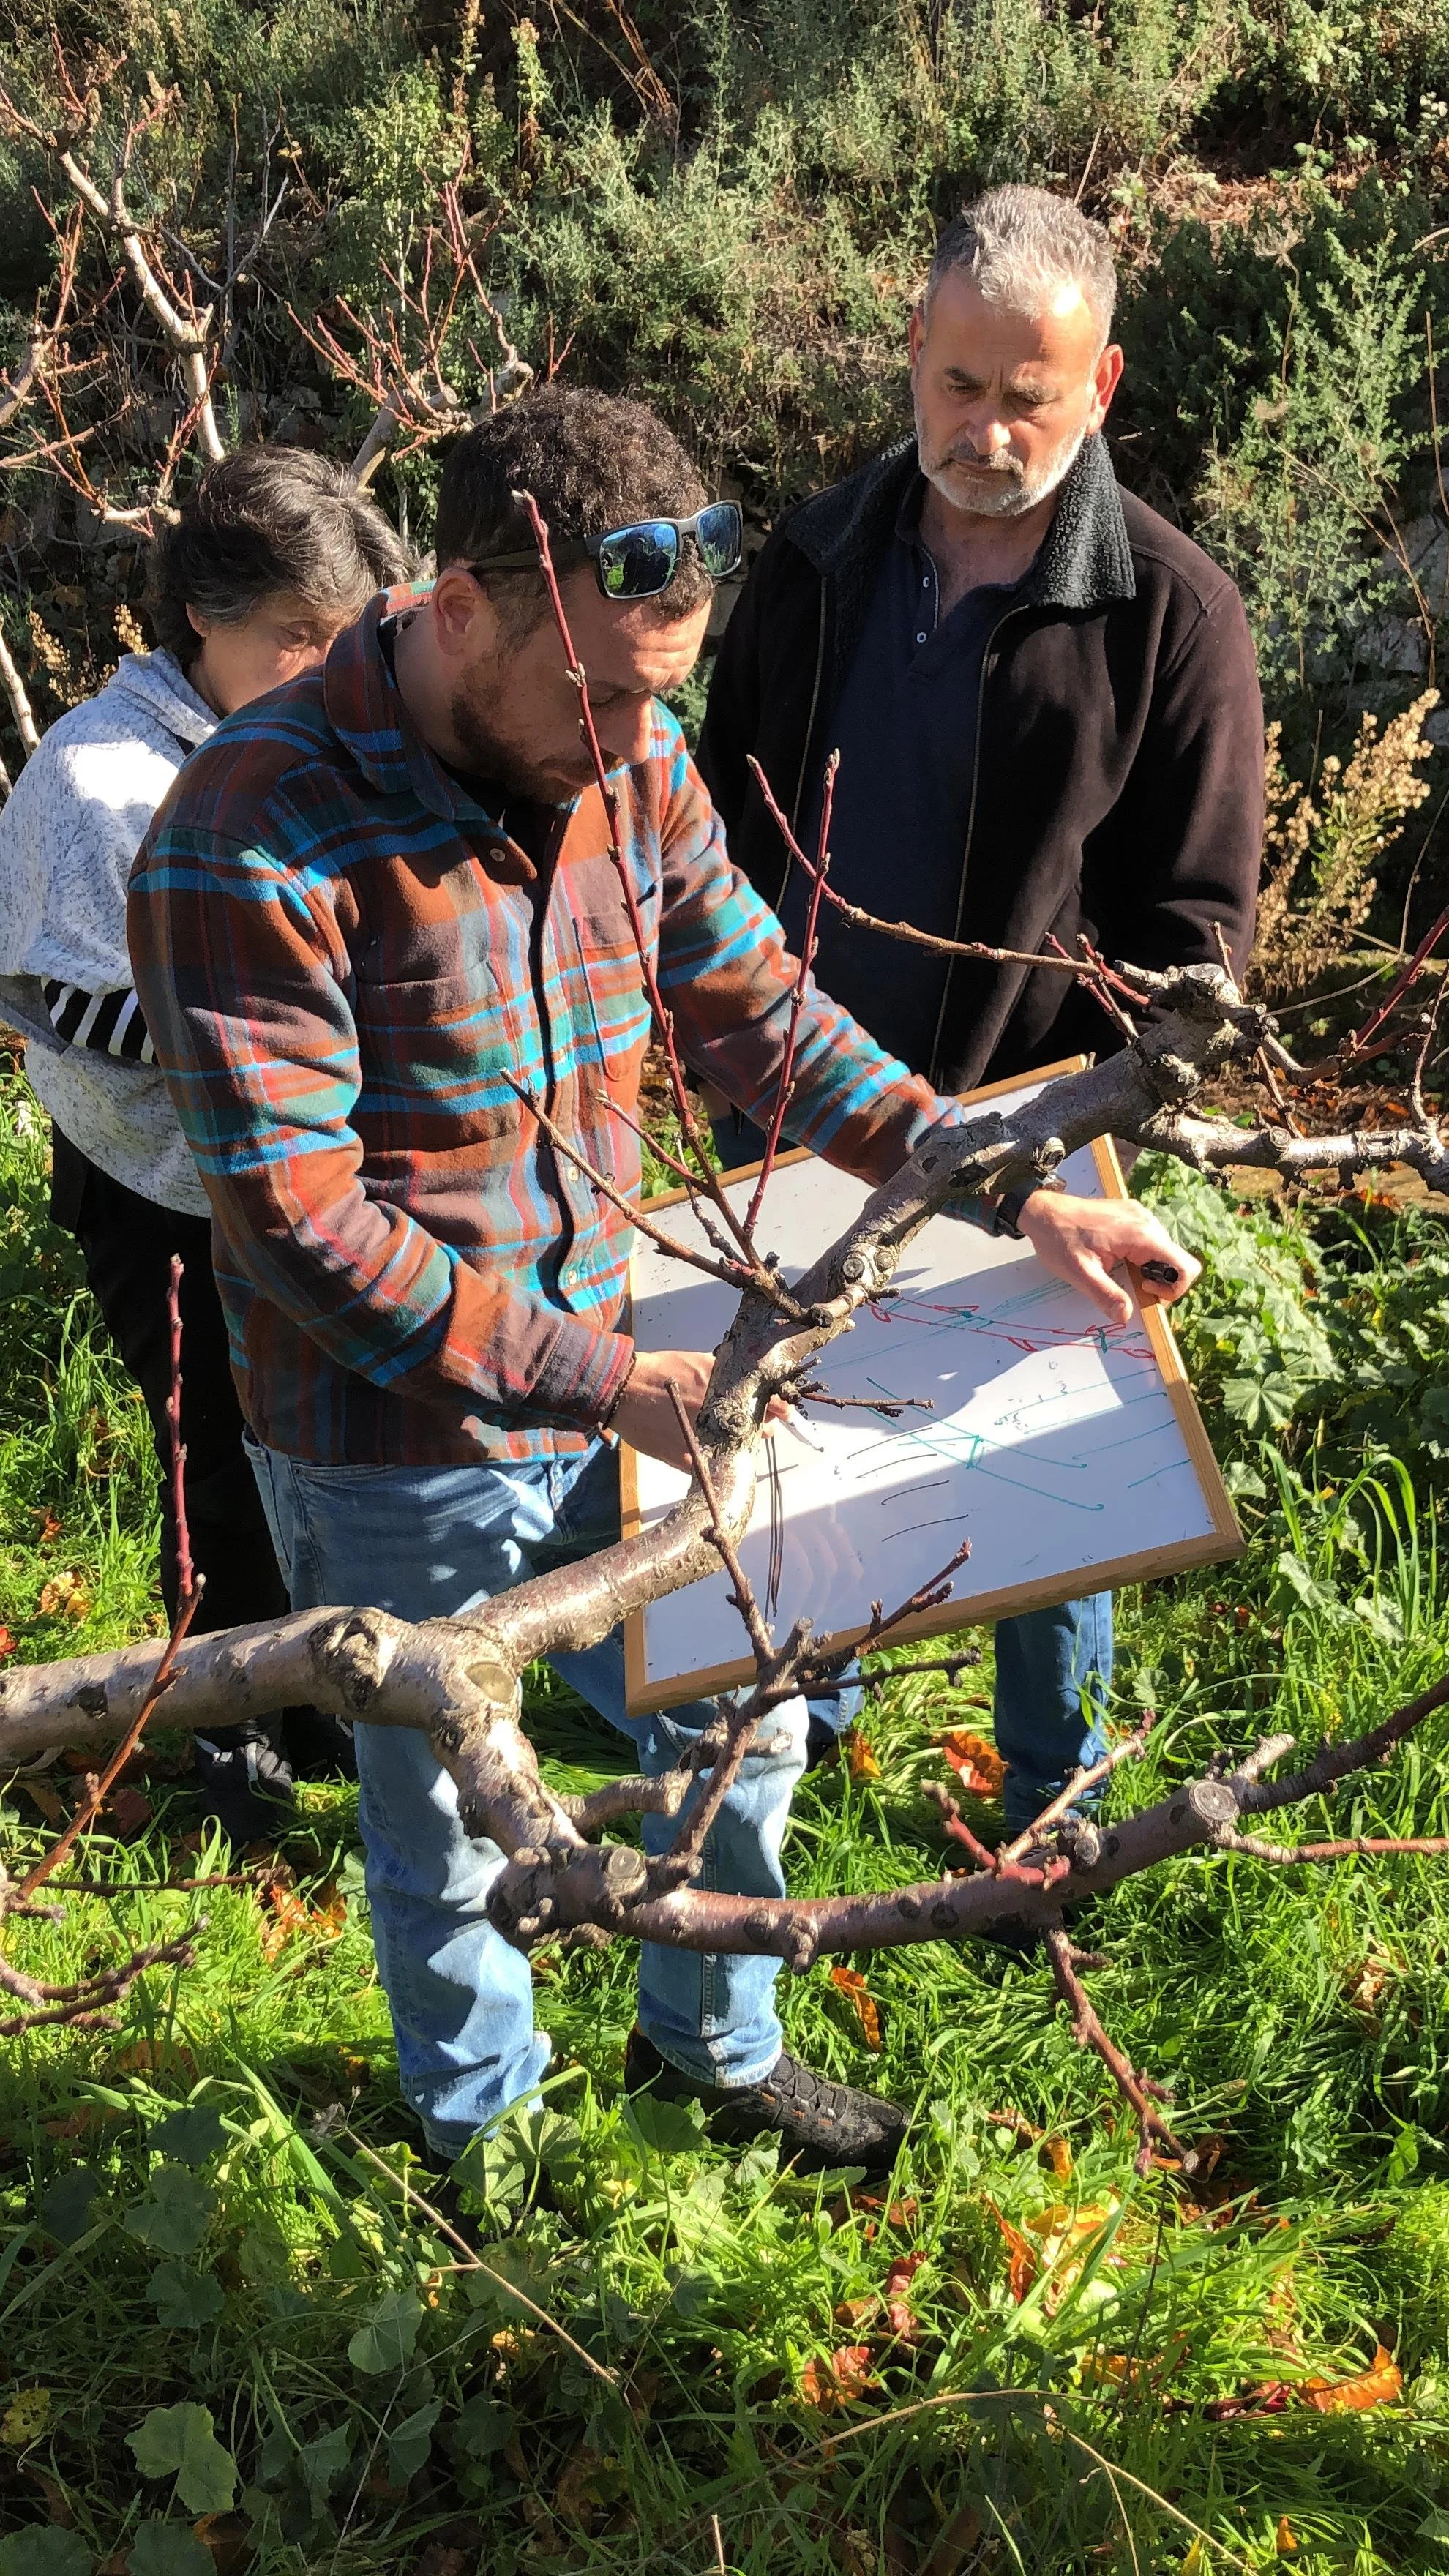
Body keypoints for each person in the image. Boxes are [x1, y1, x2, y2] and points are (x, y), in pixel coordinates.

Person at [127, 385, 1199, 2168]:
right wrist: (603, 1380)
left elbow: (764, 1015)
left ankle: (710, 2043)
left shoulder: (628, 761)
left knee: (746, 1706)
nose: (639, 738)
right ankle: (482, 2138)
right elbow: (303, 1224)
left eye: (661, 695)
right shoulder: (248, 831)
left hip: (625, 1367)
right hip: (391, 1436)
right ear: (457, 609)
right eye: (602, 698)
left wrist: (1011, 1190)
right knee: (444, 1810)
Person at [697, 184, 1264, 1835]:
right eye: (959, 385)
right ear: (913, 350)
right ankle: (807, 1721)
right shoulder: (817, 556)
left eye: (1030, 395)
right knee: (802, 1436)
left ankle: (1047, 1805)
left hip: (1032, 1121)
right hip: (800, 1094)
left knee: (1043, 1476)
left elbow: (1198, 934)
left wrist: (1095, 1116)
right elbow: (714, 824)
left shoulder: (1172, 612)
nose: (987, 430)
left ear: (1102, 384)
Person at [0, 447, 412, 1838]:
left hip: (309, 1182)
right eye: (293, 631)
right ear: (200, 616)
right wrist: (281, 1030)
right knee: (216, 1475)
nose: (323, 662)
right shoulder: (99, 778)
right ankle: (237, 1747)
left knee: (324, 1454)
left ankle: (337, 1704)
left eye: (341, 632)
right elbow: (62, 1003)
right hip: (162, 1195)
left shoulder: (322, 731)